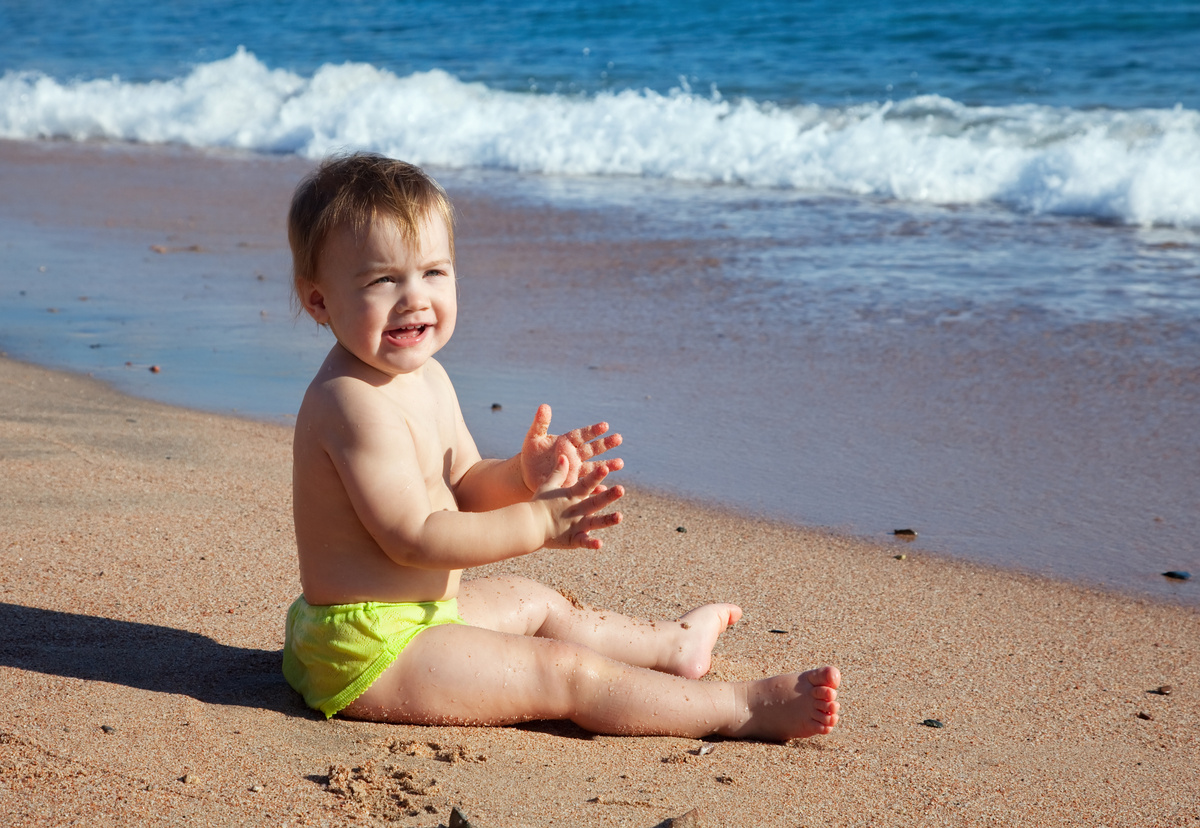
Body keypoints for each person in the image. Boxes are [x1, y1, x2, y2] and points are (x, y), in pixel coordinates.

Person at [281, 153, 840, 740]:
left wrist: (521, 476)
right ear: (319, 300)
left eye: (434, 272)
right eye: (383, 280)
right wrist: (538, 524)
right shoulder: (352, 403)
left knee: (537, 602)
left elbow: (464, 484)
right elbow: (413, 537)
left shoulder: (427, 376)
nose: (415, 298)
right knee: (564, 672)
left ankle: (671, 645)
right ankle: (737, 708)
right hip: (369, 651)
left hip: (419, 615)